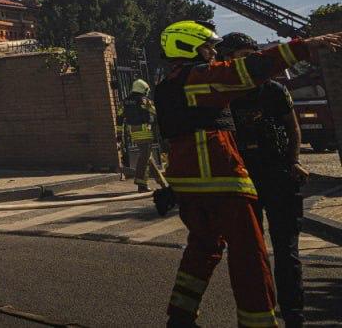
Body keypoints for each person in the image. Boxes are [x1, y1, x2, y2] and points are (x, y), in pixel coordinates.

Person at [154, 20, 341, 328]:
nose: (213, 53)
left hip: (189, 185)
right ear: (188, 47)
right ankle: (259, 323)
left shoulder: (166, 86)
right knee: (249, 257)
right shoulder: (198, 78)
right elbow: (247, 70)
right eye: (208, 47)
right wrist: (303, 46)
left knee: (202, 249)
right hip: (221, 181)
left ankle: (180, 317)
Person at [218, 32, 309, 328]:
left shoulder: (274, 91)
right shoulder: (223, 95)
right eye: (237, 57)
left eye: (248, 55)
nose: (243, 62)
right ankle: (261, 315)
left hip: (279, 176)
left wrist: (294, 161)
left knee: (287, 251)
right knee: (252, 254)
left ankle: (294, 316)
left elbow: (292, 128)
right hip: (245, 181)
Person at [119, 78, 167, 192]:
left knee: (147, 157)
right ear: (142, 89)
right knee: (144, 157)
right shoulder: (143, 100)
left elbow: (119, 117)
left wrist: (119, 133)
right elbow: (155, 111)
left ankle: (162, 183)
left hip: (134, 132)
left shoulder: (125, 101)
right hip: (145, 131)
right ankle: (141, 183)